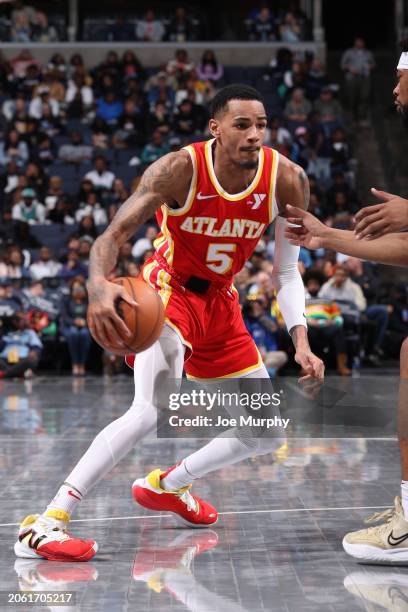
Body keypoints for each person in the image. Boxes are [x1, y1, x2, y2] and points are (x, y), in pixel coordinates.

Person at [14, 84, 324, 562]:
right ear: (215, 128)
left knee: (266, 431)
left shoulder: (287, 179)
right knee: (151, 410)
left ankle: (167, 485)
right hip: (167, 293)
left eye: (261, 124)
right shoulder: (180, 168)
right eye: (241, 124)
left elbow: (286, 270)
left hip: (221, 302)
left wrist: (299, 338)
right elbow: (112, 235)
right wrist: (98, 286)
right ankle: (46, 522)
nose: (254, 134)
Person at [60, 279, 92, 376]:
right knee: (73, 333)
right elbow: (64, 316)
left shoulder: (88, 300)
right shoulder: (66, 300)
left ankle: (82, 364)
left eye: (80, 288)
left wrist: (85, 322)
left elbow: (92, 315)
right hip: (69, 325)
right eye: (75, 288)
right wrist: (74, 321)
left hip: (85, 326)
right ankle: (75, 363)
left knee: (84, 334)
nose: (77, 290)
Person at [341, 37, 375, 125]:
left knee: (364, 96)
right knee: (352, 97)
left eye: (361, 42)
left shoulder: (368, 53)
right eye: (358, 42)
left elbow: (373, 65)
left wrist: (369, 67)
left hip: (364, 78)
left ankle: (362, 117)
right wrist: (350, 69)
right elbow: (343, 65)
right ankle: (352, 117)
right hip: (352, 78)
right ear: (355, 43)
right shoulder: (349, 52)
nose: (359, 44)